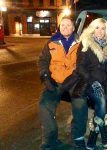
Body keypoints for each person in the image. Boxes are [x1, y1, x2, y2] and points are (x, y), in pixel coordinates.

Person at [38, 16, 88, 150]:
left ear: (73, 28)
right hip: (55, 81)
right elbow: (43, 61)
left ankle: (77, 139)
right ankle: (50, 140)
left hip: (73, 81)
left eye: (68, 25)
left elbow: (84, 63)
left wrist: (79, 78)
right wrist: (45, 77)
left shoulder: (81, 42)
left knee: (81, 105)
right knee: (44, 106)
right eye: (63, 25)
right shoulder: (51, 42)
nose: (65, 28)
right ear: (59, 27)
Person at [75, 18, 107, 150]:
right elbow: (80, 67)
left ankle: (92, 138)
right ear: (92, 28)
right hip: (89, 82)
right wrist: (93, 82)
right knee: (102, 101)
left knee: (102, 109)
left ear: (106, 30)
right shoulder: (85, 43)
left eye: (103, 28)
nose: (100, 31)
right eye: (97, 27)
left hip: (105, 83)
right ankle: (106, 138)